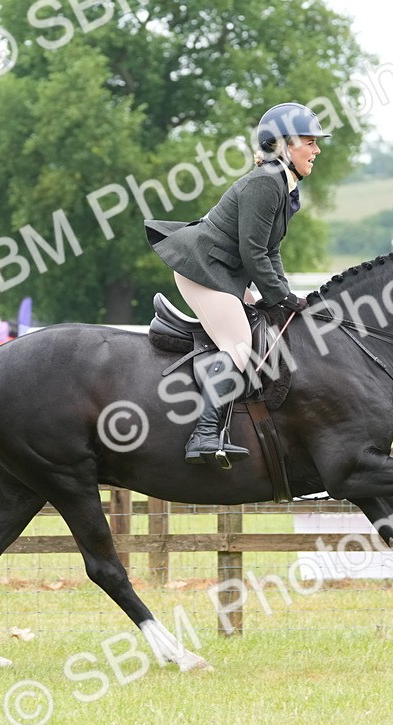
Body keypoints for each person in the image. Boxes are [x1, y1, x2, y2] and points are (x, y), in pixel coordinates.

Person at [145, 102, 328, 466]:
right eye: (310, 142)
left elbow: (269, 251)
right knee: (239, 344)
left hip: (224, 271)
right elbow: (252, 250)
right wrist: (279, 296)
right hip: (204, 268)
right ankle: (204, 434)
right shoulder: (265, 183)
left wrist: (283, 295)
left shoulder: (282, 186)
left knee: (264, 325)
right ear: (284, 145)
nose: (317, 150)